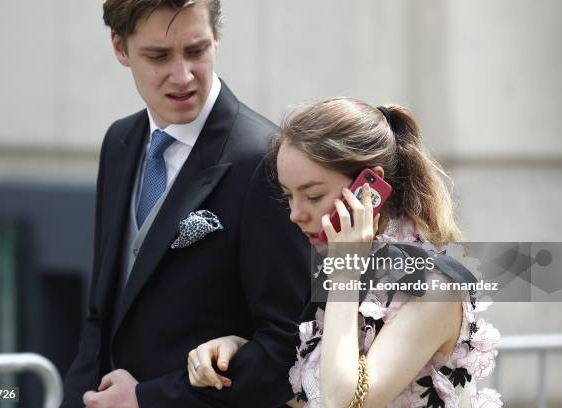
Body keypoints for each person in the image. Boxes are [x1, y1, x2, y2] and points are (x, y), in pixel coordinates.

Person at [61, 1, 310, 407]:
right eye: (158, 56)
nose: (183, 76)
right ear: (120, 48)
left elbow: (288, 347)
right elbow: (101, 315)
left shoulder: (264, 159)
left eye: (196, 51)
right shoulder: (119, 142)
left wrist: (145, 399)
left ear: (217, 39)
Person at [187, 98, 503, 407]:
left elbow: (341, 401)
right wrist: (237, 349)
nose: (295, 214)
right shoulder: (346, 269)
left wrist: (345, 268)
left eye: (312, 195)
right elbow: (316, 393)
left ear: (369, 190)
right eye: (288, 196)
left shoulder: (434, 285)